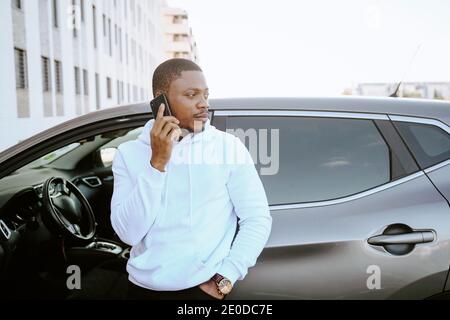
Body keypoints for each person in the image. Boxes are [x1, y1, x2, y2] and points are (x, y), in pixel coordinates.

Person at [110, 58, 272, 300]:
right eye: (192, 94)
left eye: (206, 95)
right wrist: (157, 163)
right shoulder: (128, 154)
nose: (203, 104)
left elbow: (257, 218)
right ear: (160, 100)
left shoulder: (227, 148)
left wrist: (224, 278)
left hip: (202, 292)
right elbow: (129, 234)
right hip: (140, 289)